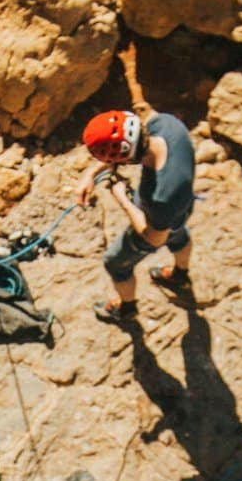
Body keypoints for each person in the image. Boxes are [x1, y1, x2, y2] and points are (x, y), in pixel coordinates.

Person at [78, 108, 196, 326]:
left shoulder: (160, 197)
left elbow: (154, 238)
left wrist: (122, 199)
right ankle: (181, 274)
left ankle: (127, 309)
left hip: (161, 216)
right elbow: (133, 146)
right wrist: (91, 174)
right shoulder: (164, 124)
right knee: (178, 233)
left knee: (115, 263)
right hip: (183, 206)